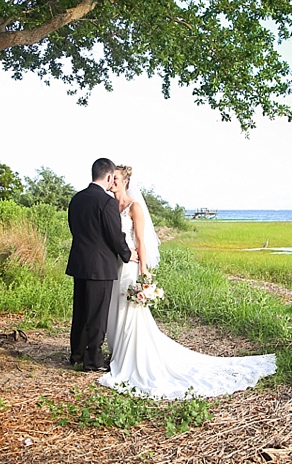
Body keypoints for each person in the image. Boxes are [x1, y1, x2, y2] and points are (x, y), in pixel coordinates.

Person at [99, 165, 277, 399]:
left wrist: (144, 273)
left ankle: (131, 358)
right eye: (110, 179)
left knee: (129, 310)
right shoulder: (110, 205)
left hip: (130, 267)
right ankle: (117, 353)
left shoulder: (135, 207)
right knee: (115, 309)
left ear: (125, 182)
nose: (111, 182)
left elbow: (141, 241)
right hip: (114, 265)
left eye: (116, 179)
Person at [66, 158, 133, 372]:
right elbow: (114, 235)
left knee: (81, 311)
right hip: (100, 265)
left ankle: (76, 354)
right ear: (108, 177)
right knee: (97, 314)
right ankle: (93, 359)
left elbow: (75, 229)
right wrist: (126, 254)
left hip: (79, 262)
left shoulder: (76, 199)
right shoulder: (106, 202)